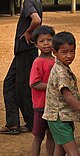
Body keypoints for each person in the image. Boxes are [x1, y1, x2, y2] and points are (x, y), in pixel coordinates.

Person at [42, 31, 80, 156]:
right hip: (59, 118)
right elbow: (68, 97)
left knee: (60, 150)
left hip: (62, 117)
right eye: (64, 52)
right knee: (74, 153)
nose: (69, 56)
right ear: (55, 52)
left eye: (72, 51)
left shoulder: (62, 67)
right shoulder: (61, 72)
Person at [0, 0, 42, 135]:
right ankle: (12, 124)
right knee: (9, 84)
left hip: (25, 51)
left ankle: (31, 123)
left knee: (22, 89)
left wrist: (28, 32)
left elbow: (36, 20)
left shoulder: (29, 1)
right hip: (23, 51)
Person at [30, 25, 55, 156]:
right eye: (42, 41)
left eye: (49, 40)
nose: (46, 43)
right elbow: (34, 83)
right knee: (38, 137)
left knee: (51, 135)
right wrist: (53, 87)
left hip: (53, 106)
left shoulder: (56, 60)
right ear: (36, 44)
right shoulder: (38, 62)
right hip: (41, 106)